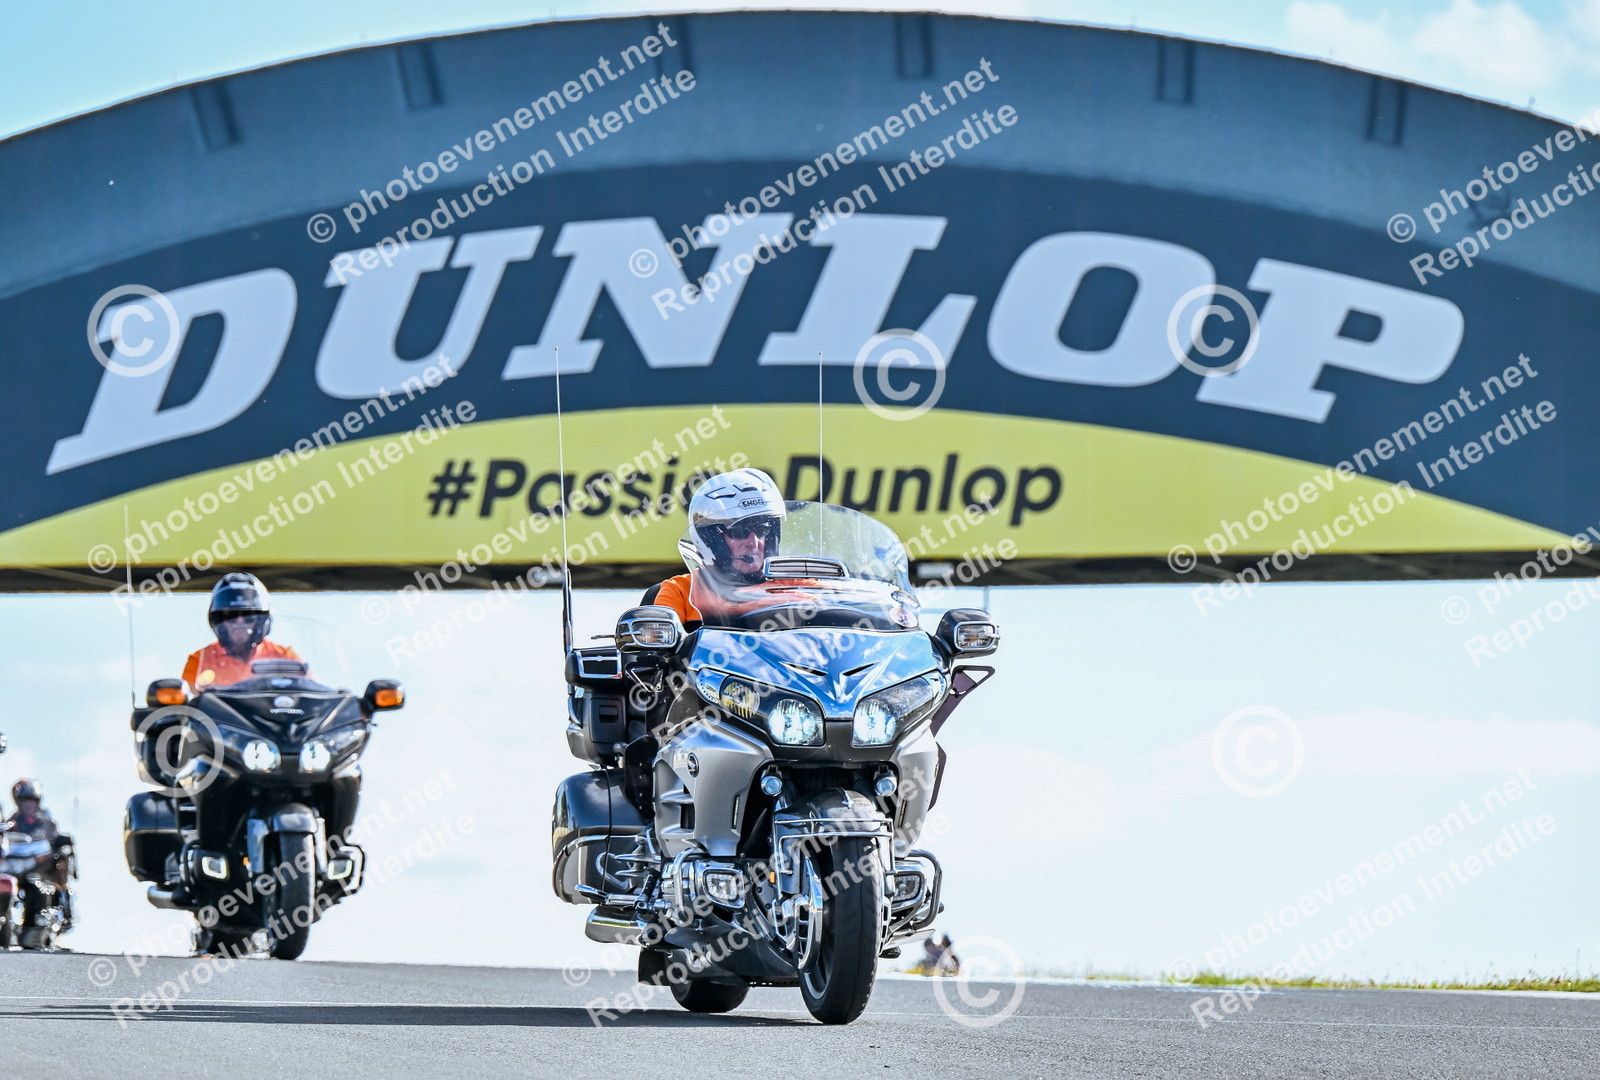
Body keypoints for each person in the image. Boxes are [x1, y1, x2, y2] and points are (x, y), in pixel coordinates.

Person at [640, 468, 787, 628]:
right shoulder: (682, 592)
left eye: (762, 529)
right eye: (739, 531)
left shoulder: (795, 586)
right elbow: (655, 641)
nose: (753, 543)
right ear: (712, 539)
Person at [182, 573, 304, 690]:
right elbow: (187, 701)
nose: (239, 623)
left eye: (248, 616)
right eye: (231, 617)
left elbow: (311, 695)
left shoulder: (286, 658)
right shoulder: (200, 661)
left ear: (261, 621)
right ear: (218, 620)